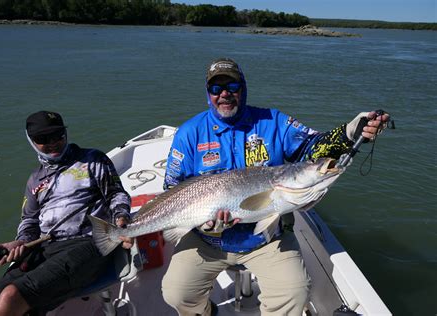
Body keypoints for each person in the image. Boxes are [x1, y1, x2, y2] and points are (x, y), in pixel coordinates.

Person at [161, 58, 390, 316]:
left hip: (267, 239)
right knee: (177, 293)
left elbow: (311, 146)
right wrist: (200, 222)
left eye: (232, 85)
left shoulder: (274, 121)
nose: (224, 94)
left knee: (295, 292)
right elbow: (171, 186)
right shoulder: (189, 133)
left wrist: (348, 133)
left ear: (243, 88)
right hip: (207, 240)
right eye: (216, 88)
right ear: (208, 94)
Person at [0, 111, 133, 316]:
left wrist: (121, 218)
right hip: (43, 248)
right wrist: (20, 243)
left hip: (88, 242)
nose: (53, 143)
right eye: (43, 139)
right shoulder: (34, 180)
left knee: (11, 296)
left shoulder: (93, 160)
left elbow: (116, 194)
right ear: (31, 141)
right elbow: (29, 221)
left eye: (58, 135)